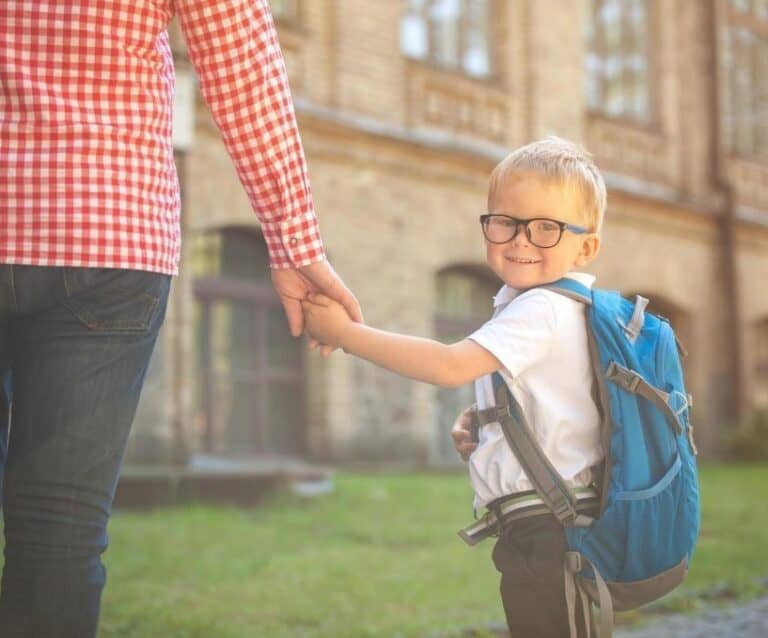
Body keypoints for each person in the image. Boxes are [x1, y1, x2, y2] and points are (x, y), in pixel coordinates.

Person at [0, 1, 360, 636]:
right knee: (60, 530)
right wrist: (295, 244)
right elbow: (243, 68)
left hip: (91, 234)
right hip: (106, 227)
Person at [302, 137, 606, 638]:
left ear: (585, 247)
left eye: (546, 228)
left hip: (550, 526)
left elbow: (448, 365)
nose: (521, 240)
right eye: (505, 221)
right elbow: (561, 404)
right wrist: (487, 424)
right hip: (549, 521)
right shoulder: (551, 306)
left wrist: (346, 335)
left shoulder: (542, 308)